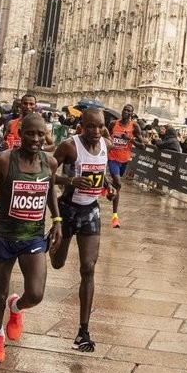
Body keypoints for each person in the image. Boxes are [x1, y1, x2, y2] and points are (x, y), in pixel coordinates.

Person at [0, 113, 63, 363]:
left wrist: (57, 220)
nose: (35, 139)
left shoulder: (50, 162)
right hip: (4, 236)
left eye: (40, 134)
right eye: (30, 133)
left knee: (35, 294)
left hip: (32, 237)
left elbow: (50, 192)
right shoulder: (3, 160)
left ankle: (16, 308)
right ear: (20, 133)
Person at [50, 107, 114, 352]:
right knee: (57, 263)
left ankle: (83, 331)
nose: (95, 131)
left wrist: (107, 186)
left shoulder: (106, 144)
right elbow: (45, 174)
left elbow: (100, 172)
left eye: (100, 126)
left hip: (91, 212)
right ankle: (52, 239)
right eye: (90, 126)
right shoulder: (69, 146)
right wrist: (70, 180)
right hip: (67, 209)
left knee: (88, 268)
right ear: (81, 127)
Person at [106, 104, 143, 229]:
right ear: (121, 111)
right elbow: (105, 136)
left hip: (124, 160)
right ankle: (115, 215)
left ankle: (110, 191)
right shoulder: (113, 124)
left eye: (129, 111)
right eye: (124, 110)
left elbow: (142, 146)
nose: (126, 112)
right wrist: (109, 144)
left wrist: (130, 139)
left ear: (132, 114)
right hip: (112, 158)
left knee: (116, 186)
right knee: (118, 182)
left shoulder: (135, 126)